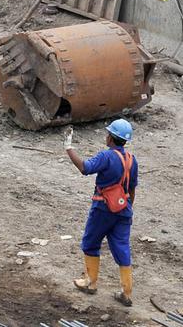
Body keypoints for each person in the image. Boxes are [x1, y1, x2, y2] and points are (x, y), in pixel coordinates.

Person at [66, 119, 138, 307]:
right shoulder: (132, 159)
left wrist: (69, 149)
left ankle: (90, 283)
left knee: (90, 243)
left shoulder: (106, 157)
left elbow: (85, 168)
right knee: (122, 247)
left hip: (103, 208)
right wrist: (128, 208)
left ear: (111, 138)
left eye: (108, 134)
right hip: (124, 210)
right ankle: (126, 292)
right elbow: (132, 188)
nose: (106, 136)